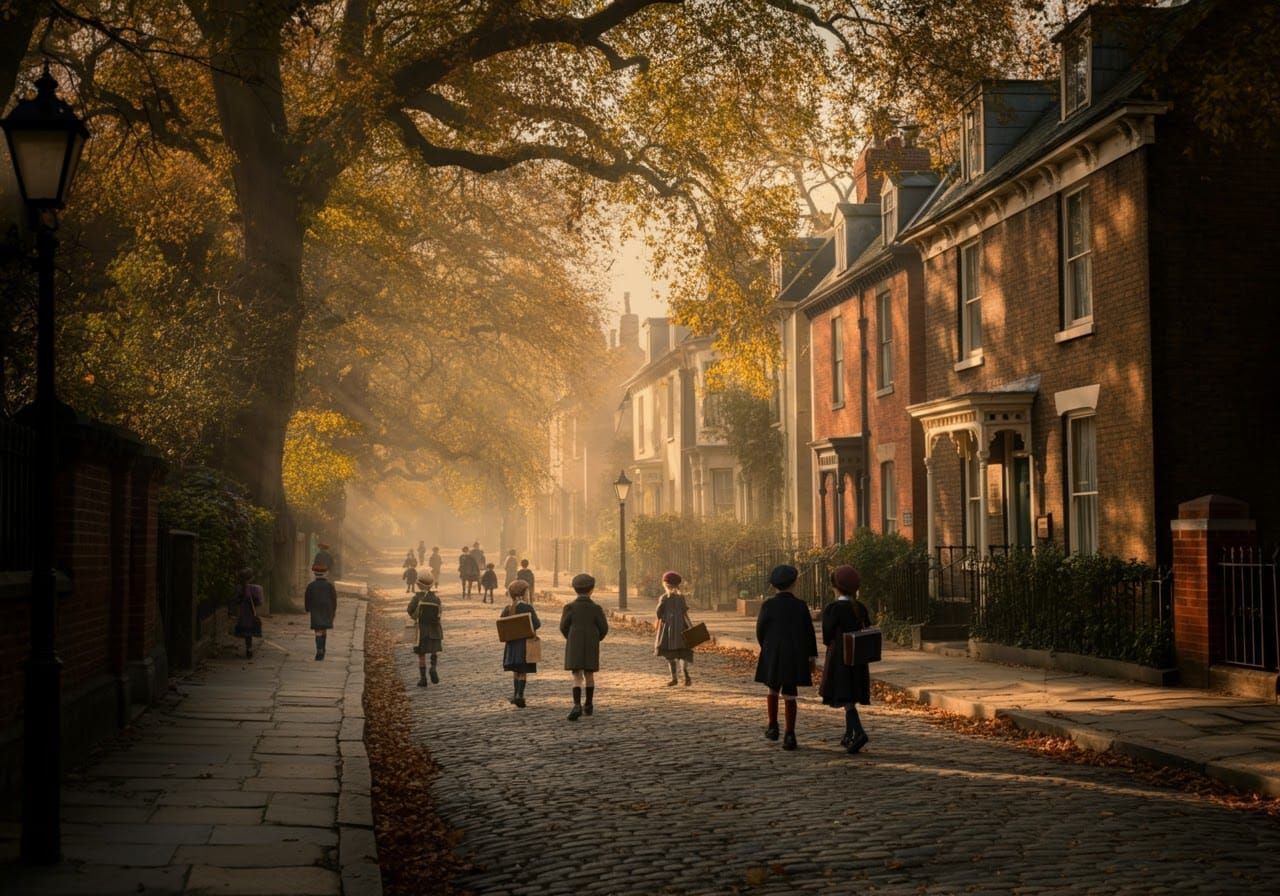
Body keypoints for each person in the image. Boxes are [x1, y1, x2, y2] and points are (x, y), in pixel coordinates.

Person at [754, 564, 818, 751]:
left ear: (774, 585)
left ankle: (773, 726)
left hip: (773, 652)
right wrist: (811, 656)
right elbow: (809, 632)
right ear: (794, 583)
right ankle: (790, 734)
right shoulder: (800, 606)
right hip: (794, 654)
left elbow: (760, 630)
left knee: (772, 688)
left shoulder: (768, 604)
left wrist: (766, 647)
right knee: (790, 693)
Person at [820, 565, 874, 754]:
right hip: (858, 656)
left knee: (845, 693)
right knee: (851, 691)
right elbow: (866, 626)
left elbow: (827, 635)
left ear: (836, 587)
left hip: (839, 656)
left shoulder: (833, 609)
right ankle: (849, 733)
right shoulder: (859, 607)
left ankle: (858, 731)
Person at [559, 573, 608, 721]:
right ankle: (589, 704)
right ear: (591, 589)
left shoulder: (569, 607)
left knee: (577, 676)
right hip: (591, 644)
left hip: (575, 643)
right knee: (589, 674)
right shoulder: (596, 608)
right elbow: (604, 628)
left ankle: (576, 705)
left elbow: (563, 627)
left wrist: (571, 637)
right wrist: (596, 638)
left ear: (575, 589)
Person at [500, 580, 540, 707]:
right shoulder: (528, 607)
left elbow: (502, 624)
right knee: (522, 671)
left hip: (512, 645)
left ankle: (515, 694)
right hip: (524, 644)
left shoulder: (507, 608)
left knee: (516, 671)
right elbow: (537, 624)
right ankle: (520, 695)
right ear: (522, 594)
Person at [655, 570, 694, 687]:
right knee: (683, 652)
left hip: (668, 629)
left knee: (670, 653)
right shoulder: (681, 598)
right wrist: (691, 626)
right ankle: (685, 674)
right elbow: (685, 614)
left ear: (665, 584)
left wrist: (663, 618)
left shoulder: (664, 598)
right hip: (682, 627)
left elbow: (658, 612)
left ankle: (674, 678)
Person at [407, 573, 443, 687]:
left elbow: (410, 611)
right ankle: (433, 667)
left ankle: (423, 679)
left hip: (421, 630)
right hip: (434, 630)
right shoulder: (436, 598)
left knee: (421, 655)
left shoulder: (416, 598)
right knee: (434, 651)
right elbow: (439, 613)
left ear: (418, 585)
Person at [305, 562, 338, 661]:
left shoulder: (310, 586)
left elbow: (307, 598)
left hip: (315, 609)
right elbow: (334, 599)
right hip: (327, 609)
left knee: (318, 630)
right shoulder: (330, 586)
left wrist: (307, 608)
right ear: (326, 574)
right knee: (324, 629)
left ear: (314, 574)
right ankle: (323, 649)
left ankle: (319, 649)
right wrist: (333, 610)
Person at [233, 567, 264, 659]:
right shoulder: (256, 589)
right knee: (249, 633)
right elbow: (259, 602)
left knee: (246, 633)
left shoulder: (239, 588)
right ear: (252, 578)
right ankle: (249, 649)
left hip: (243, 613)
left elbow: (236, 601)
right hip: (251, 613)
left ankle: (248, 648)